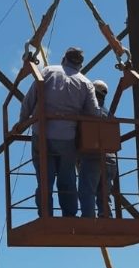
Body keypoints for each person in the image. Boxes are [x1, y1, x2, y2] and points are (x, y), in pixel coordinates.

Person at [18, 47, 99, 217]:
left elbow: (29, 100)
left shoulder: (47, 72)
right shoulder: (86, 83)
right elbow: (93, 114)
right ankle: (69, 216)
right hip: (67, 138)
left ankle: (45, 215)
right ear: (80, 64)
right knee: (67, 179)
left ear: (64, 59)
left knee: (44, 179)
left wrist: (22, 123)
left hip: (41, 134)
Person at [78, 80, 118, 218]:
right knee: (104, 194)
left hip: (93, 156)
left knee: (87, 191)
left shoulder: (88, 111)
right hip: (110, 159)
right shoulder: (108, 113)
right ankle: (107, 218)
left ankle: (88, 219)